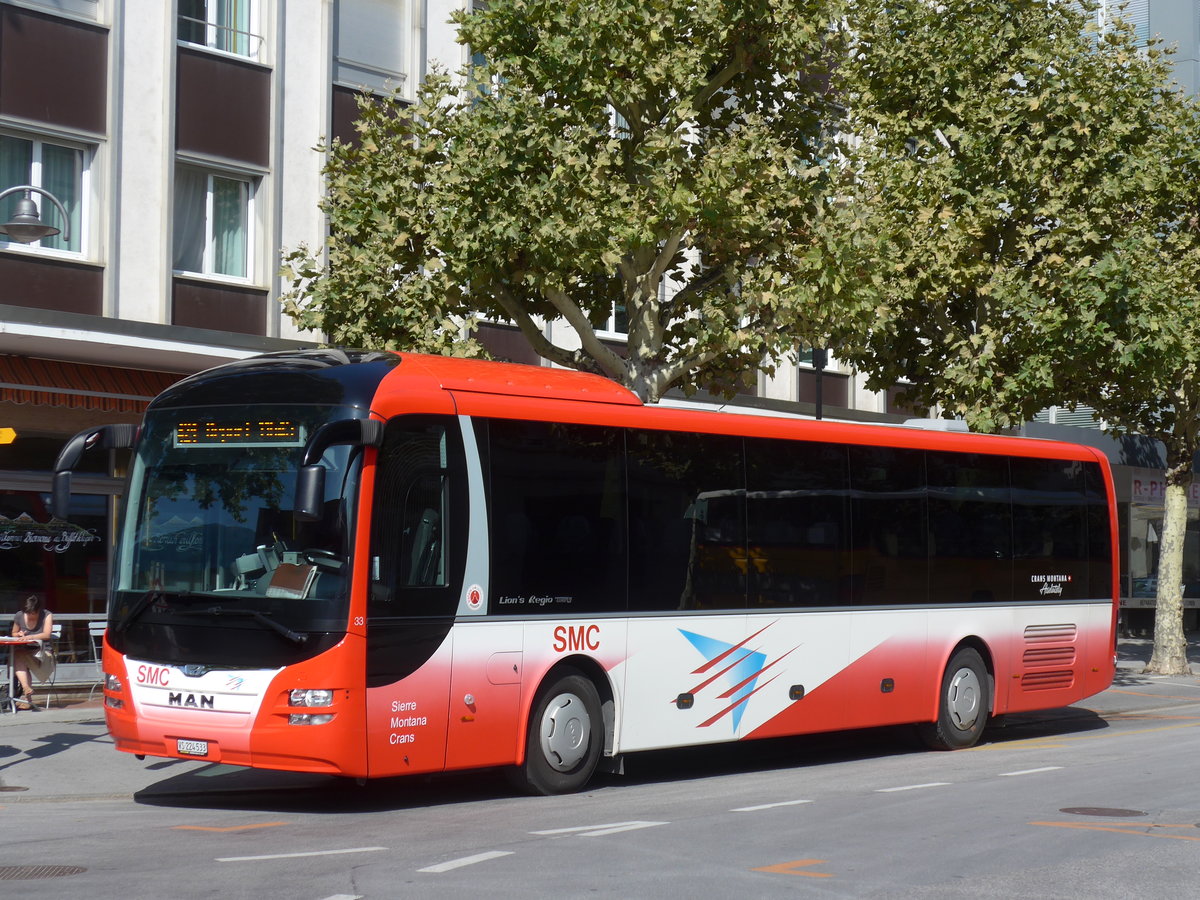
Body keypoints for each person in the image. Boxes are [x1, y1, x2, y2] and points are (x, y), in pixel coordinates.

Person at [11, 595, 53, 711]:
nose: (30, 615)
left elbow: (46, 634)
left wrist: (30, 636)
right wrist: (19, 634)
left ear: (38, 610)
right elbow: (14, 633)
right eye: (28, 613)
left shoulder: (47, 615)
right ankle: (26, 689)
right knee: (17, 655)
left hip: (43, 653)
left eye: (33, 613)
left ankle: (27, 696)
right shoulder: (19, 615)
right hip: (26, 652)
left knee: (19, 658)